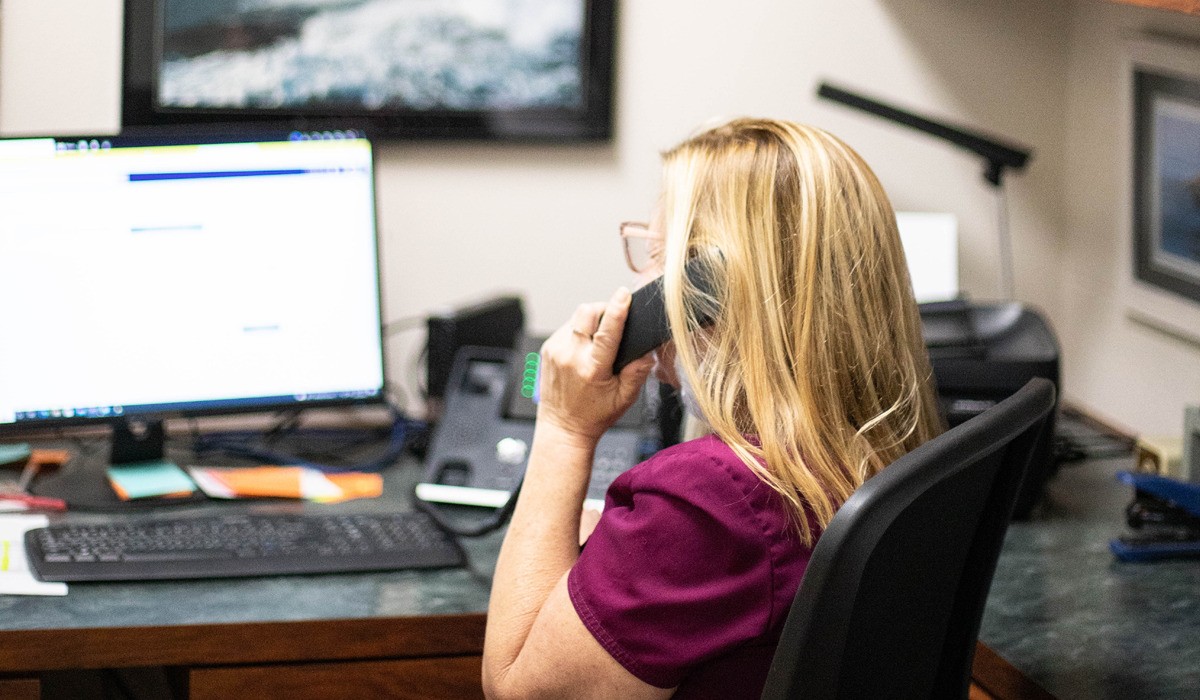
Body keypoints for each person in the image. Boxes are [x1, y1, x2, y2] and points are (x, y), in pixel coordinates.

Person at [481, 117, 944, 699]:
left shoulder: (712, 497)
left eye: (655, 256)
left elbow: (518, 691)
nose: (642, 284)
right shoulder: (864, 447)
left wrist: (565, 429)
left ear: (713, 288)